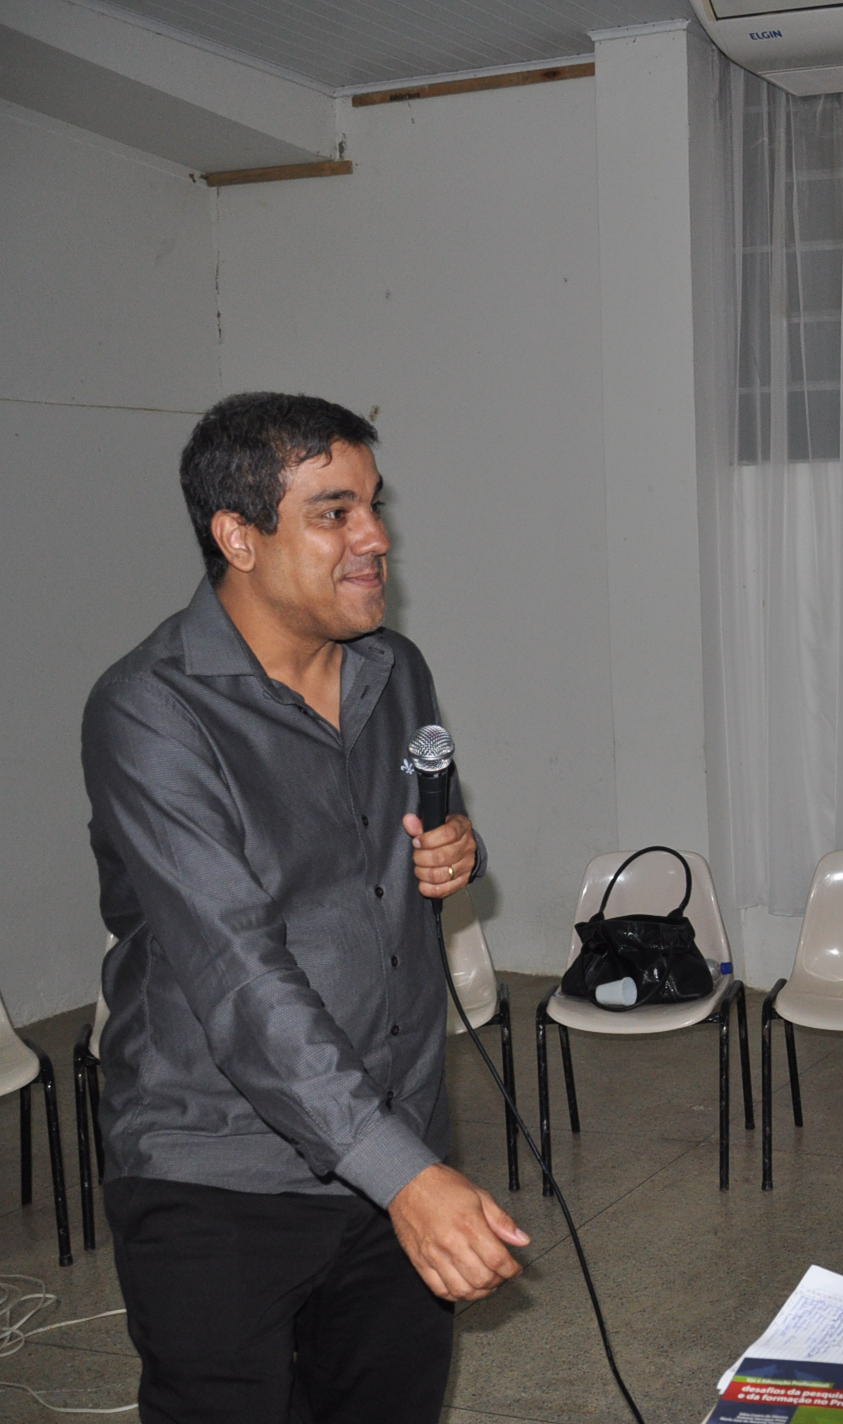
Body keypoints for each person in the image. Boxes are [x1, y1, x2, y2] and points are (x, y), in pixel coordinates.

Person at [81, 393, 528, 1422]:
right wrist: (405, 1177)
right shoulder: (151, 708)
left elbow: (402, 846)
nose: (376, 538)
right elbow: (237, 973)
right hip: (221, 1173)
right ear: (238, 536)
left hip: (394, 1138)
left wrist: (458, 848)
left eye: (373, 505)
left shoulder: (393, 670)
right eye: (334, 512)